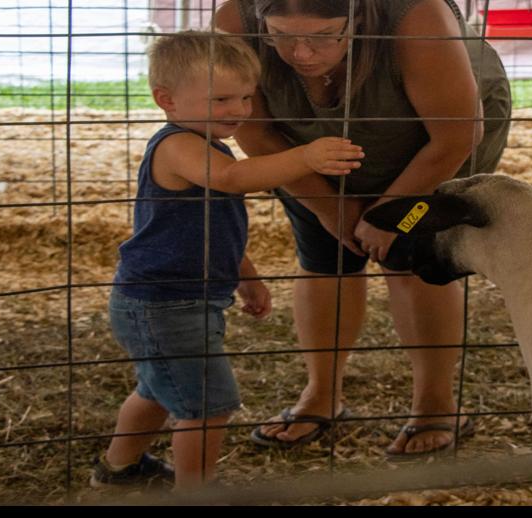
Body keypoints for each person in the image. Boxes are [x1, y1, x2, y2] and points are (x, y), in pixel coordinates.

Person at [214, 0, 512, 456]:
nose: (301, 54)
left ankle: (435, 403)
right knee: (324, 256)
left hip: (434, 143)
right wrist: (331, 210)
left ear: (356, 19)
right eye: (280, 35)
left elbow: (457, 134)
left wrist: (387, 213)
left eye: (323, 35)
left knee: (411, 259)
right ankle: (322, 394)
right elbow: (255, 133)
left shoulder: (416, 16)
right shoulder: (234, 19)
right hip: (311, 146)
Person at [95, 30, 363, 489]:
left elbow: (211, 228)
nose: (239, 110)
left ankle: (120, 469)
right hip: (164, 303)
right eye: (221, 99)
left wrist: (247, 277)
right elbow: (235, 178)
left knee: (159, 389)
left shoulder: (207, 145)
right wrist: (306, 157)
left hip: (178, 300)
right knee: (207, 404)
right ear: (167, 100)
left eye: (245, 97)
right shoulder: (177, 145)